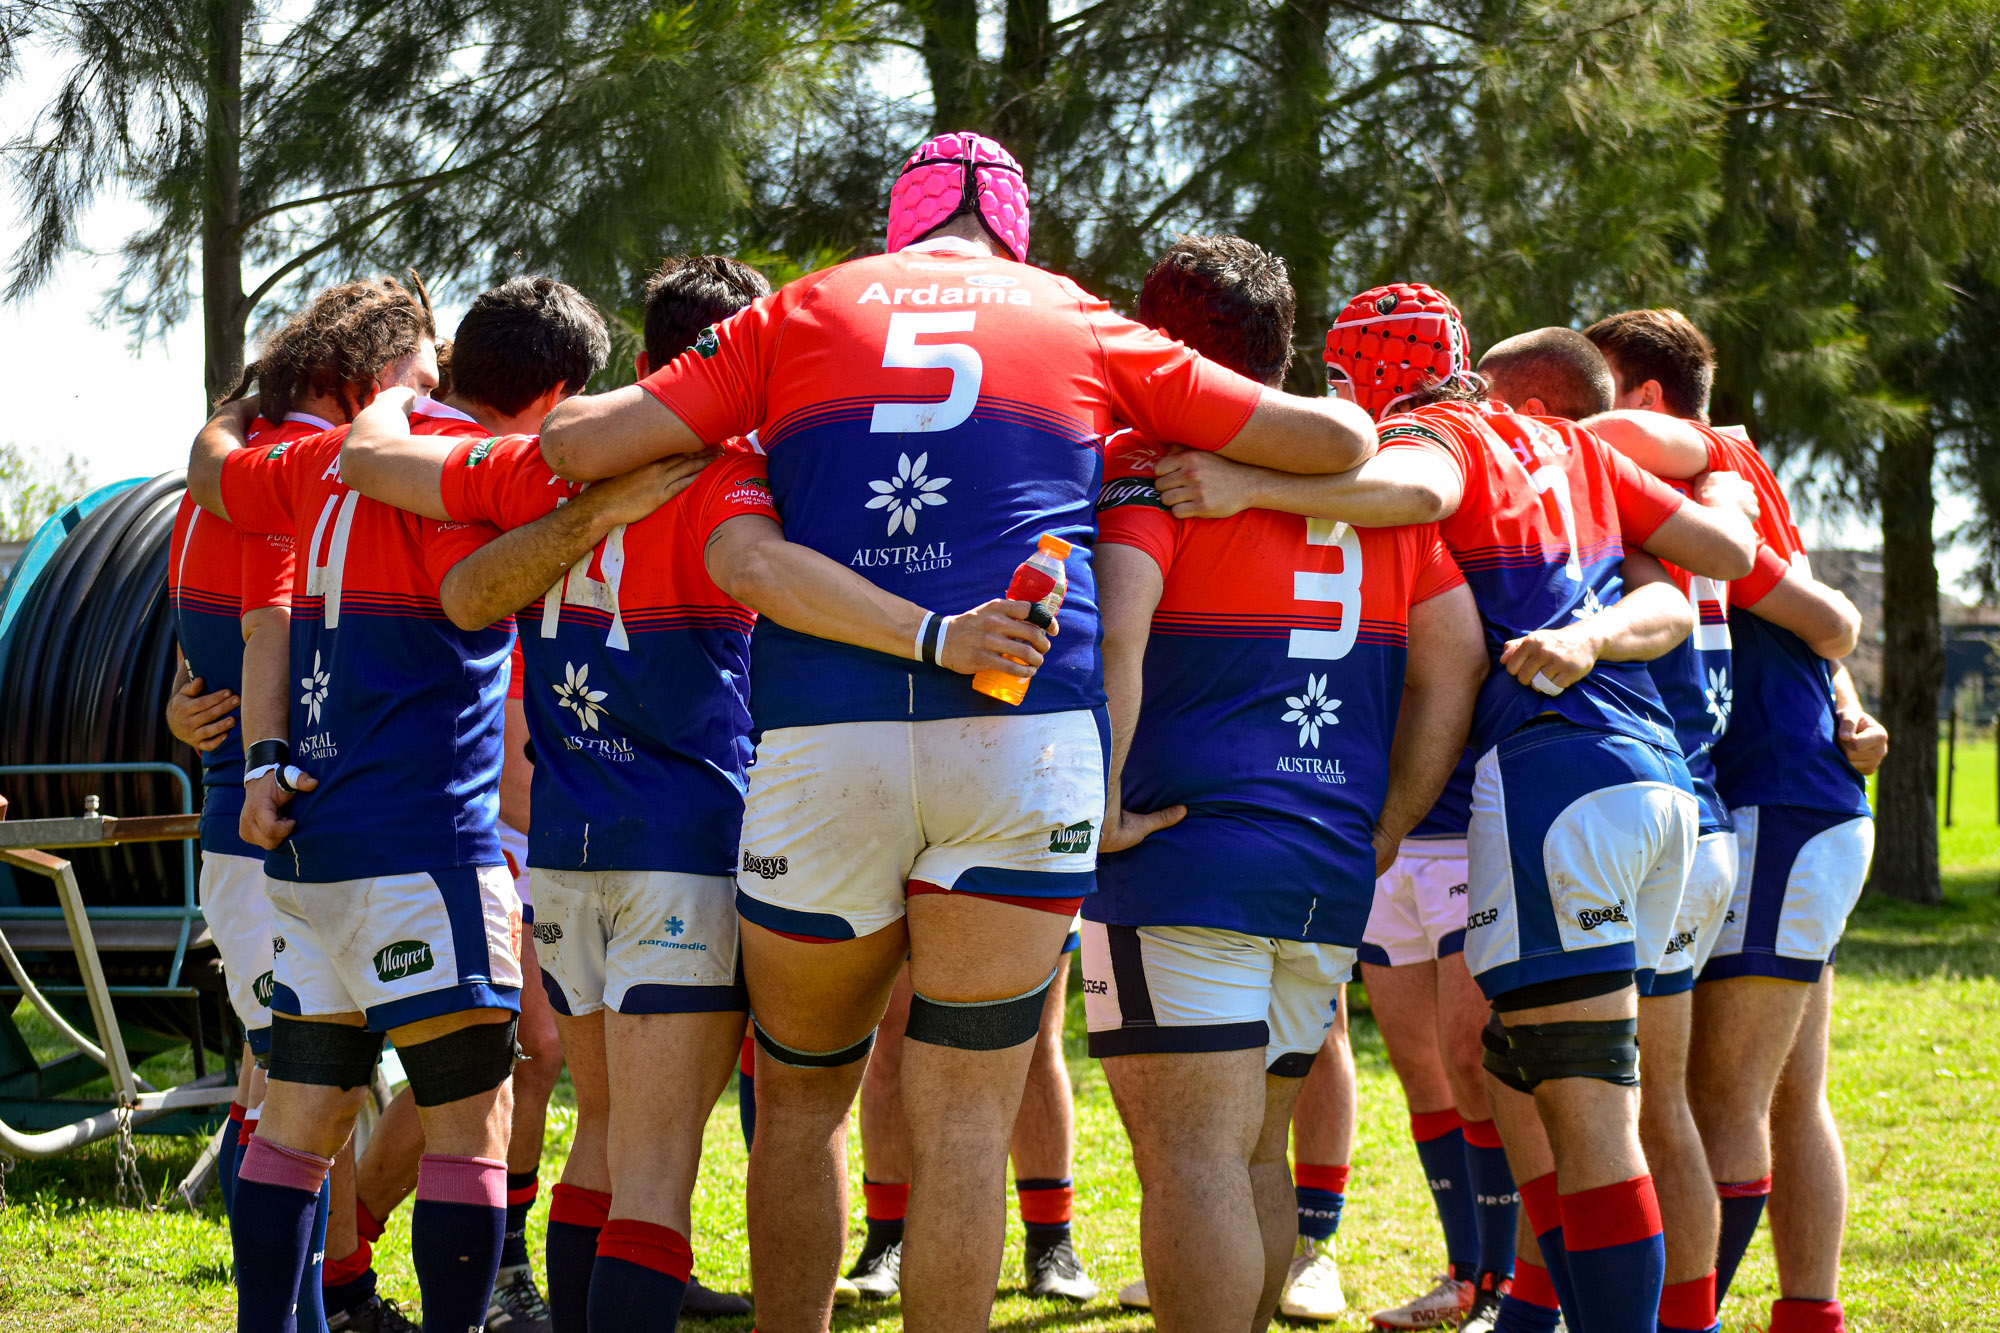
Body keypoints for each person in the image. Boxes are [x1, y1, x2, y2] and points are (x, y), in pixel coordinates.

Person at [533, 132, 1379, 1333]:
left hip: (826, 745)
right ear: (1013, 235)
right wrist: (1233, 480)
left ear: (899, 229)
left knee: (803, 1105)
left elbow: (573, 446)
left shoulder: (799, 311)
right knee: (970, 1118)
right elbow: (1339, 443)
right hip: (1022, 738)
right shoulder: (1076, 315)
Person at [1231, 279, 1764, 1333]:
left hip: (1551, 784)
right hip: (1658, 787)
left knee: (1591, 1119)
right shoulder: (1570, 449)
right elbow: (1722, 559)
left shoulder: (1438, 433)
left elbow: (1414, 495)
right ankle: (1528, 1313)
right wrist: (1598, 628)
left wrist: (1235, 480)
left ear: (1366, 379)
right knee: (1542, 1081)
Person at [336, 255, 775, 1332]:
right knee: (652, 1165)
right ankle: (360, 1261)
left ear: (639, 363)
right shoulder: (744, 476)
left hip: (568, 850)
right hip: (677, 840)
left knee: (600, 1126)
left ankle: (408, 1265)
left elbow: (384, 475)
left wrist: (391, 395)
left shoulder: (539, 468)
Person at [182, 275, 608, 1333]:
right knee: (474, 1116)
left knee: (296, 1116)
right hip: (424, 841)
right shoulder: (464, 467)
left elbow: (251, 575)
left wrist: (260, 761)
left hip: (308, 843)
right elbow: (479, 591)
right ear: (551, 391)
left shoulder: (317, 458)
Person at [1080, 235, 1485, 1333]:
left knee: (1190, 1161)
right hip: (1323, 861)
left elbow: (1118, 630)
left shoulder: (1151, 458)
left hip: (1182, 855)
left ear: (1154, 341)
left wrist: (1098, 800)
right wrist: (1389, 819)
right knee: (1255, 1151)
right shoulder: (1368, 488)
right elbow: (1453, 657)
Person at [1581, 309, 1885, 1333]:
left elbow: (1823, 618)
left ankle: (1683, 1319)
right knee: (1785, 1096)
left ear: (1647, 400)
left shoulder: (1705, 465)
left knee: (1722, 1102)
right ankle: (1806, 1313)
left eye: (1596, 388)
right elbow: (1825, 627)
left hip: (1775, 804)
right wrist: (1843, 685)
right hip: (1799, 802)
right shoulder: (1729, 474)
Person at [168, 275, 439, 1333]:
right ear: (362, 372)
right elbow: (265, 627)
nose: (430, 390)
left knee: (286, 1079)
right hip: (268, 827)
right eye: (419, 368)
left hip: (260, 827)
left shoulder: (231, 462)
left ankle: (311, 1311)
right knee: (292, 1084)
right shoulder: (300, 469)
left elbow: (214, 635)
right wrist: (259, 760)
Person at [1351, 752, 1518, 1333]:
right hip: (1378, 840)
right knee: (1420, 1071)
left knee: (1473, 1064)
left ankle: (1504, 1283)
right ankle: (1465, 1273)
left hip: (1464, 834)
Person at [848, 944, 1096, 1303]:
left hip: (1027, 890)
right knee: (892, 1038)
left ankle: (1052, 1243)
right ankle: (886, 1240)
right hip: (909, 887)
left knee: (1036, 1042)